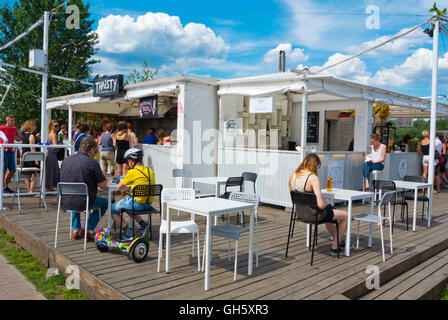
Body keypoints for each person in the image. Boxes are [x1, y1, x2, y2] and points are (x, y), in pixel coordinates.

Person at [289, 154, 348, 256]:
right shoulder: (312, 178)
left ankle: (338, 241)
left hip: (300, 214)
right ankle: (335, 248)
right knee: (346, 215)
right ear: (314, 165)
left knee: (330, 212)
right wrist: (326, 202)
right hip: (314, 215)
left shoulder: (294, 175)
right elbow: (320, 205)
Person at [60, 137, 108, 240]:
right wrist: (103, 176)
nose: (94, 154)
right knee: (105, 203)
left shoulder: (66, 160)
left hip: (64, 200)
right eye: (95, 152)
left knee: (73, 197)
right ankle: (88, 228)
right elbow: (103, 185)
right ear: (91, 150)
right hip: (84, 201)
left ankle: (76, 229)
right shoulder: (92, 163)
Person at [111, 148, 153, 240]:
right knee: (127, 202)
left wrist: (121, 181)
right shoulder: (150, 171)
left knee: (112, 209)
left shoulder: (132, 172)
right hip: (148, 204)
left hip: (138, 204)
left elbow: (119, 187)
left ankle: (128, 233)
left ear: (130, 161)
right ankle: (144, 225)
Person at [0, 115, 23, 193]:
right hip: (3, 151)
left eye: (14, 120)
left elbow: (21, 137)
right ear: (7, 121)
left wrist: (29, 137)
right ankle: (3, 187)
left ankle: (5, 186)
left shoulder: (14, 129)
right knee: (3, 169)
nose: (13, 122)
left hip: (11, 151)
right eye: (12, 120)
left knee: (13, 170)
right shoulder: (1, 128)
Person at [21, 120, 40, 195]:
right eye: (34, 125)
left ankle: (28, 191)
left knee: (27, 175)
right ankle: (31, 191)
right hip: (31, 158)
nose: (35, 127)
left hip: (25, 157)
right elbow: (32, 148)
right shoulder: (31, 136)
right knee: (38, 173)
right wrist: (36, 159)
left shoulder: (24, 136)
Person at [45, 120, 61, 191]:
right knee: (51, 171)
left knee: (51, 170)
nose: (57, 127)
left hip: (51, 154)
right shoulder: (53, 134)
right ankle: (49, 187)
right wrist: (61, 144)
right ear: (51, 126)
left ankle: (49, 187)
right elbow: (55, 146)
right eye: (55, 126)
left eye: (58, 126)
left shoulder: (50, 134)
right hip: (52, 154)